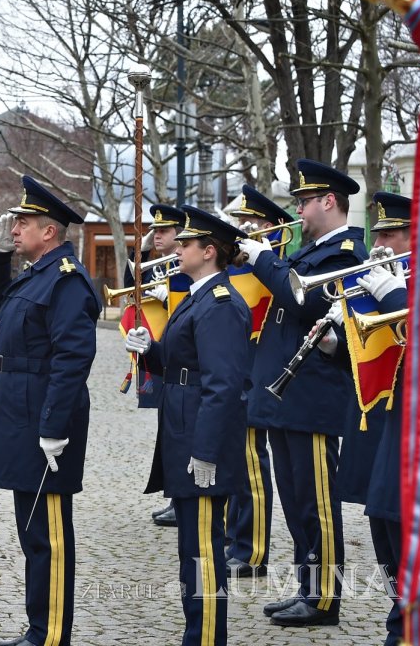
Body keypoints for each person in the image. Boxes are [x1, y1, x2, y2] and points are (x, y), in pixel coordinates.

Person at [238, 159, 368, 626]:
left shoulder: (345, 254)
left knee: (318, 503)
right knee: (295, 500)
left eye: (304, 202)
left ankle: (325, 597)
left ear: (328, 201)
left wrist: (260, 258)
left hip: (312, 396)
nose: (298, 210)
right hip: (286, 396)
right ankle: (306, 586)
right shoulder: (308, 250)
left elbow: (305, 299)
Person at [0, 175, 100, 646]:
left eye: (24, 222)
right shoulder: (37, 273)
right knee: (32, 531)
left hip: (43, 419)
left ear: (49, 232)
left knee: (48, 535)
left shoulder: (66, 280)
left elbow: (72, 359)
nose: (16, 227)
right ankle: (38, 628)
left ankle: (50, 635)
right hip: (18, 411)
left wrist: (54, 427)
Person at [124, 206, 252, 646]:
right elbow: (184, 366)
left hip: (200, 439)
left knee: (203, 552)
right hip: (184, 430)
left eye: (186, 243)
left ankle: (206, 637)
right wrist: (149, 351)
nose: (177, 249)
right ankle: (196, 634)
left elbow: (223, 386)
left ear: (209, 251)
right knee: (190, 550)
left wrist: (206, 450)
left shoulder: (219, 305)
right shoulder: (198, 296)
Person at [312, 191, 410, 646]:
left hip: (413, 429)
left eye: (392, 235)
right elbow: (366, 359)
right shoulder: (383, 278)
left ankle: (406, 625)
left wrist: (396, 295)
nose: (381, 244)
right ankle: (400, 612)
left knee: (404, 531)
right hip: (376, 426)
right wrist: (335, 341)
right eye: (381, 234)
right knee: (382, 530)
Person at [224, 184, 294, 579]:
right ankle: (235, 538)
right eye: (244, 222)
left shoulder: (274, 264)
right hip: (237, 369)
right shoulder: (241, 265)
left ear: (274, 228)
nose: (245, 229)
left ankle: (253, 551)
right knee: (236, 460)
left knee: (252, 463)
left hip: (256, 374)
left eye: (254, 223)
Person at [125, 203, 186, 528]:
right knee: (168, 433)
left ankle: (181, 500)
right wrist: (143, 251)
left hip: (179, 357)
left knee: (178, 432)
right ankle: (174, 497)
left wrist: (168, 298)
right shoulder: (157, 264)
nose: (156, 235)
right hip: (159, 354)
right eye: (154, 230)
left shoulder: (186, 265)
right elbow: (128, 287)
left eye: (162, 231)